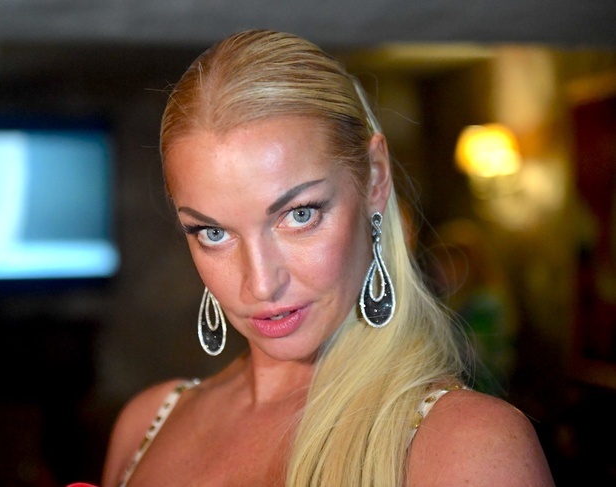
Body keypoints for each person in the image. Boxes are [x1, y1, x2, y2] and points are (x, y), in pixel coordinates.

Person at [101, 29, 555, 486]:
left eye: (300, 215)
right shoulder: (145, 424)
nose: (261, 283)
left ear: (375, 177)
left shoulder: (470, 445)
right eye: (213, 233)